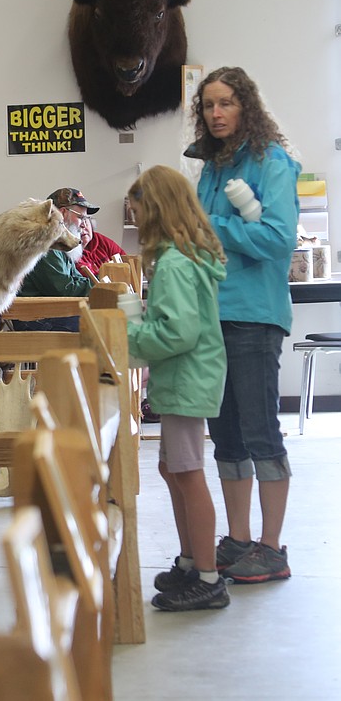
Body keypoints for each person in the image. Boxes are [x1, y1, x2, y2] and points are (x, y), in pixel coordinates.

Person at [187, 66, 300, 584]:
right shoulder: (211, 167)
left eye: (226, 103)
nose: (216, 113)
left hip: (254, 316)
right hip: (210, 315)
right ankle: (237, 539)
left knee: (259, 431)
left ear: (245, 106)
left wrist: (213, 227)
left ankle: (272, 547)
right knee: (226, 434)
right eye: (208, 105)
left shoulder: (272, 162)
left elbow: (278, 240)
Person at [126, 166, 229, 611]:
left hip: (186, 379)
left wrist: (129, 338)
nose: (135, 221)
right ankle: (190, 562)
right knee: (173, 471)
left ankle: (208, 577)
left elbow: (176, 333)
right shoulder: (182, 258)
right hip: (184, 379)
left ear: (156, 211)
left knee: (187, 474)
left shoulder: (173, 264)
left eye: (137, 212)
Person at [12, 187, 96, 332]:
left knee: (102, 319)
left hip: (49, 313)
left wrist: (98, 285)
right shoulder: (45, 244)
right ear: (63, 213)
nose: (84, 224)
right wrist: (101, 287)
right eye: (81, 218)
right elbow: (64, 290)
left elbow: (75, 279)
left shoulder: (60, 244)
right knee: (99, 325)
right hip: (34, 319)